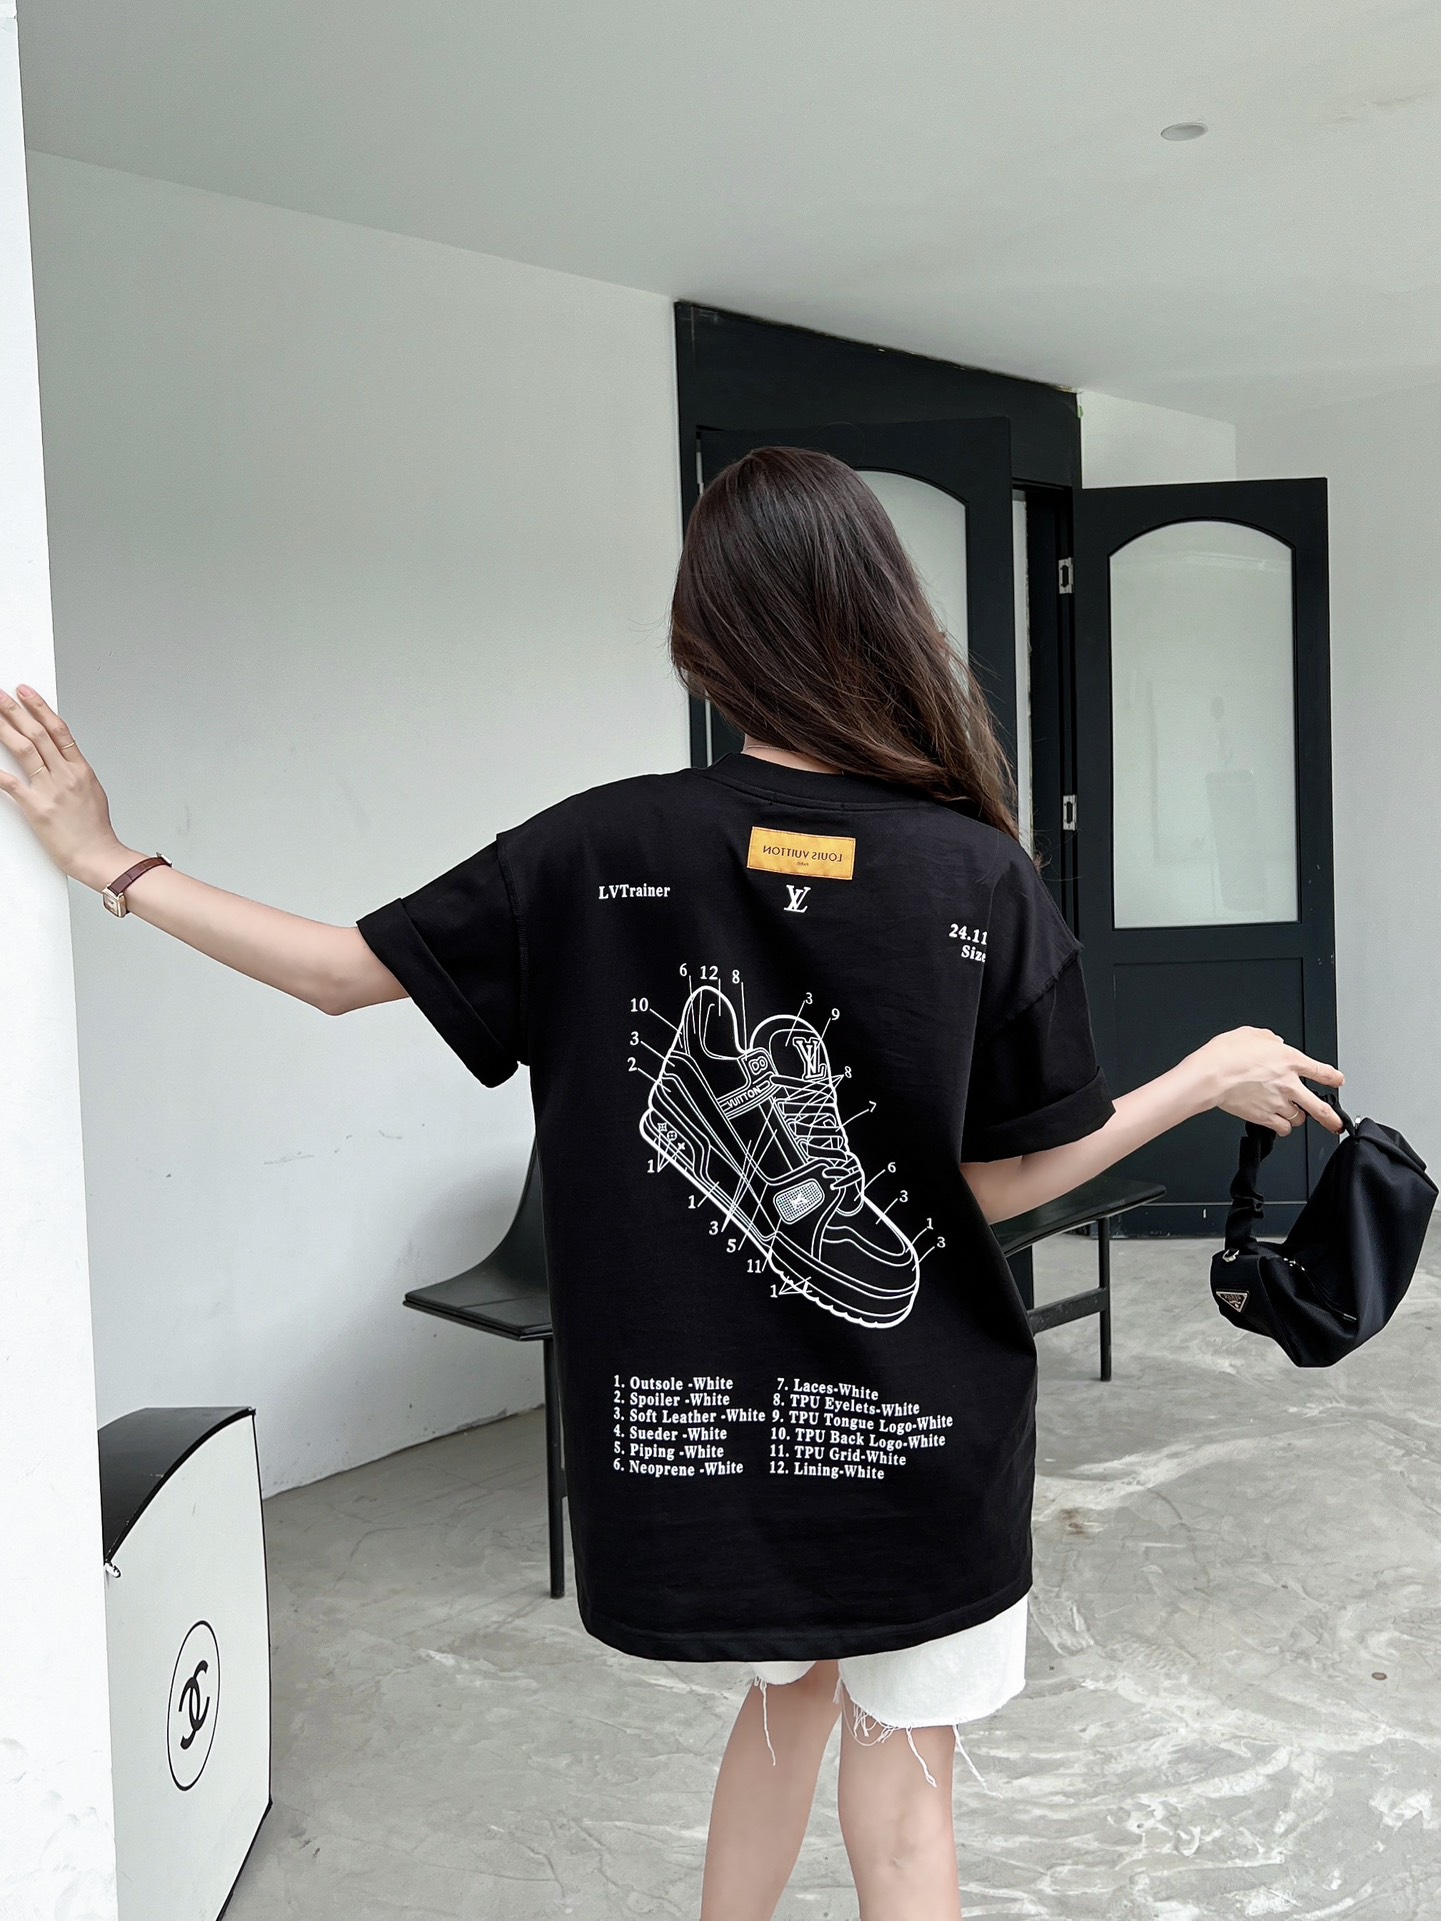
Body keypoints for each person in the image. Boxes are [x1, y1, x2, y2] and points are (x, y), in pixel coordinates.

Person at [0, 446, 1343, 1921]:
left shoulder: (599, 845)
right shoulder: (977, 874)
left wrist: (110, 860)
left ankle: (741, 1107)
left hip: (702, 1444)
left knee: (780, 1711)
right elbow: (993, 1188)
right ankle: (747, 1118)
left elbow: (336, 972)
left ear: (703, 633)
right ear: (884, 616)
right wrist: (1195, 1081)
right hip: (923, 1438)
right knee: (905, 1803)